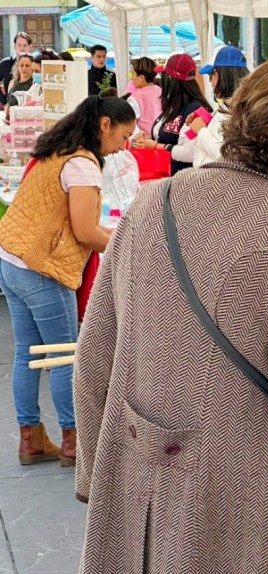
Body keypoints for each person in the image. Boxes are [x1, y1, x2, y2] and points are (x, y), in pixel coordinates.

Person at [74, 53, 268, 572]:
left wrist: (98, 473)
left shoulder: (155, 201)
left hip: (142, 477)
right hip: (251, 491)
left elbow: (95, 353)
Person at [0, 95, 135, 466]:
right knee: (65, 356)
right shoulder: (83, 164)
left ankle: (30, 439)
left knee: (27, 353)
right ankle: (75, 440)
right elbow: (86, 232)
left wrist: (115, 232)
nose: (123, 146)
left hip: (12, 259)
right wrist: (131, 242)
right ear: (104, 125)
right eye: (123, 137)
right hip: (43, 268)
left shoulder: (57, 149)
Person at [132, 53, 211, 174]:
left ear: (169, 78)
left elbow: (190, 152)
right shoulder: (173, 105)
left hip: (184, 180)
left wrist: (156, 146)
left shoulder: (195, 110)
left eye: (162, 75)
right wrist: (149, 138)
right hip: (165, 175)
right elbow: (167, 137)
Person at [189, 46, 250, 167]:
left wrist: (201, 131)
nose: (210, 81)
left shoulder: (240, 110)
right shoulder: (228, 105)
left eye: (212, 74)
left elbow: (226, 153)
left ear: (225, 74)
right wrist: (206, 121)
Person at [125, 56, 162, 135]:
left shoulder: (135, 98)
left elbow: (129, 123)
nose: (131, 78)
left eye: (133, 74)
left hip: (143, 142)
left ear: (141, 77)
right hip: (162, 140)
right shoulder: (163, 92)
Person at [0, 32, 32, 107]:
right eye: (19, 45)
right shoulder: (5, 63)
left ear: (30, 46)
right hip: (11, 107)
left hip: (32, 107)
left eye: (25, 45)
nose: (22, 48)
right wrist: (4, 101)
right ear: (14, 46)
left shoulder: (35, 63)